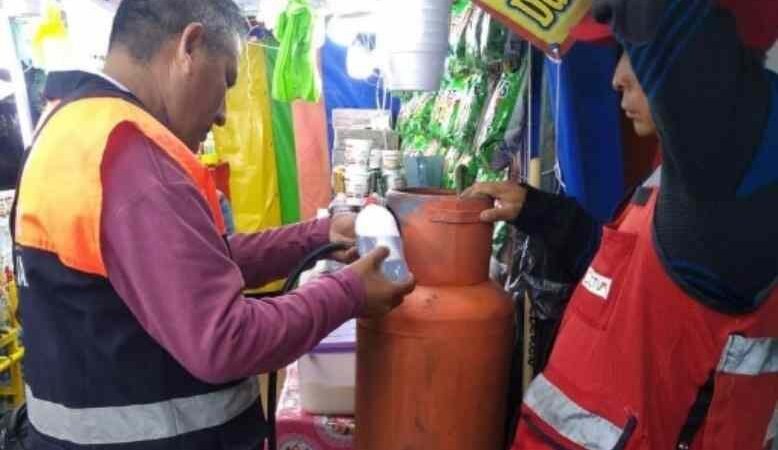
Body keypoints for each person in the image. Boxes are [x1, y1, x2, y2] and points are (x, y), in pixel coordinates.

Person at [12, 1, 414, 449]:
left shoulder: (72, 125)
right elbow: (226, 340)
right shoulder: (131, 158)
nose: (223, 114)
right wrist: (351, 292)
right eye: (225, 80)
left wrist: (319, 235)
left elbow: (189, 268)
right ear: (190, 45)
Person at [466, 1, 778, 448]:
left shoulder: (729, 168)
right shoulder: (685, 182)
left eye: (631, 50)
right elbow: (635, 284)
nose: (617, 78)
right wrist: (539, 212)